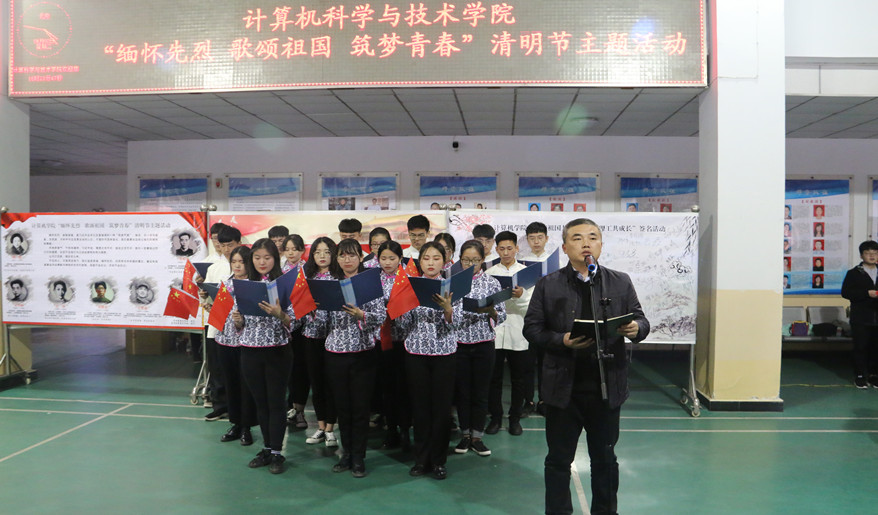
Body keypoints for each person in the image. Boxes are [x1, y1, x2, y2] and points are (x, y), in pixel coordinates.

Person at [523, 218, 650, 515]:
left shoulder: (620, 281)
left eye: (593, 237)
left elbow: (641, 319)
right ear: (565, 247)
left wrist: (636, 328)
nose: (586, 243)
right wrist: (562, 340)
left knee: (605, 460)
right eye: (578, 238)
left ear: (601, 245)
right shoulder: (548, 284)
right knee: (558, 460)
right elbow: (532, 329)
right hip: (562, 389)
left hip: (606, 386)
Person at [233, 238, 300, 475]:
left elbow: (296, 321)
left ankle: (278, 452)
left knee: (276, 402)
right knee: (261, 402)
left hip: (277, 351)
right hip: (250, 350)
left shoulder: (285, 284)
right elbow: (238, 325)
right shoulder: (243, 285)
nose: (262, 262)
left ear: (275, 259)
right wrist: (238, 321)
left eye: (267, 257)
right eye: (257, 257)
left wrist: (280, 314)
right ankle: (267, 449)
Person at [321, 239, 385, 478]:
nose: (347, 260)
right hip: (335, 353)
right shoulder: (329, 284)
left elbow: (381, 316)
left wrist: (361, 315)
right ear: (337, 259)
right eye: (342, 255)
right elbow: (321, 323)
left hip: (363, 352)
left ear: (360, 257)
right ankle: (346, 453)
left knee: (360, 407)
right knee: (342, 407)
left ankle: (359, 456)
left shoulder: (370, 282)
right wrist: (315, 309)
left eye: (352, 255)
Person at [396, 241, 460, 480]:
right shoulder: (409, 285)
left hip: (444, 354)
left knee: (441, 410)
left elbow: (458, 324)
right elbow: (402, 325)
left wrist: (448, 309)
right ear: (419, 261)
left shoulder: (453, 287)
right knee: (420, 408)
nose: (431, 263)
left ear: (444, 261)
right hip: (416, 353)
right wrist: (406, 306)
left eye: (436, 258)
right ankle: (421, 459)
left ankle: (439, 461)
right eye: (426, 258)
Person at [453, 240, 506, 457]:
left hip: (484, 344)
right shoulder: (453, 283)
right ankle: (465, 434)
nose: (471, 264)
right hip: (459, 345)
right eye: (466, 260)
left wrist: (491, 312)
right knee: (463, 392)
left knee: (481, 392)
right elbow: (448, 314)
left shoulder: (492, 283)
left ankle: (477, 436)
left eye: (475, 260)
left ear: (483, 260)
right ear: (460, 260)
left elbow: (502, 314)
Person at [486, 231, 532, 437]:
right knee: (494, 379)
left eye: (509, 248)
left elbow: (531, 306)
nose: (506, 253)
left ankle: (515, 419)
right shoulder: (490, 273)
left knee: (518, 379)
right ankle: (495, 418)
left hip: (518, 331)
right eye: (502, 249)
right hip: (495, 331)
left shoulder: (526, 273)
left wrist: (520, 296)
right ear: (496, 250)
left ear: (516, 249)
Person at [216, 246, 258, 446]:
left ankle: (247, 426)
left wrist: (242, 321)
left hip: (246, 342)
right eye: (234, 262)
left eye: (241, 262)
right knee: (231, 383)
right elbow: (219, 311)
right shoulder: (225, 283)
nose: (238, 265)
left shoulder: (255, 285)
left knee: (246, 386)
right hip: (225, 340)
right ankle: (235, 423)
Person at [201, 225, 244, 421]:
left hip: (240, 328)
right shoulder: (214, 268)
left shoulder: (247, 266)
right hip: (217, 324)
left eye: (230, 245)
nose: (226, 249)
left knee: (239, 372)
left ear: (239, 244)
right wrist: (205, 296)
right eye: (223, 245)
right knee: (218, 368)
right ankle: (220, 405)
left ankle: (240, 409)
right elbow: (209, 299)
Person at [302, 237, 340, 448]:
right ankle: (320, 426)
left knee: (331, 384)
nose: (322, 256)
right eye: (317, 252)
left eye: (326, 251)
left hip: (333, 338)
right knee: (316, 384)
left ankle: (331, 429)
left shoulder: (339, 277)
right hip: (312, 336)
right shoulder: (306, 277)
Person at [375, 240, 412, 450]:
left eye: (392, 258)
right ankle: (391, 430)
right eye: (383, 258)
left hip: (405, 341)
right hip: (382, 342)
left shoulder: (408, 278)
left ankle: (405, 429)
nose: (387, 262)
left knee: (404, 388)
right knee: (387, 388)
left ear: (400, 259)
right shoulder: (373, 280)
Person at [281, 233, 309, 429]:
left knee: (300, 370)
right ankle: (287, 408)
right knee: (286, 370)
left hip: (303, 327)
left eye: (295, 249)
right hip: (283, 326)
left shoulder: (307, 270)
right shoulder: (279, 271)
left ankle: (299, 410)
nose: (291, 253)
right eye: (288, 249)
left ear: (302, 251)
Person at [842, 240, 878, 389]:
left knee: (876, 348)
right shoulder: (854, 273)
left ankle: (874, 376)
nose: (872, 256)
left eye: (875, 253)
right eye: (868, 253)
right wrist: (866, 293)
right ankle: (860, 376)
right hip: (861, 317)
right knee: (861, 348)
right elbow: (846, 292)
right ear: (861, 255)